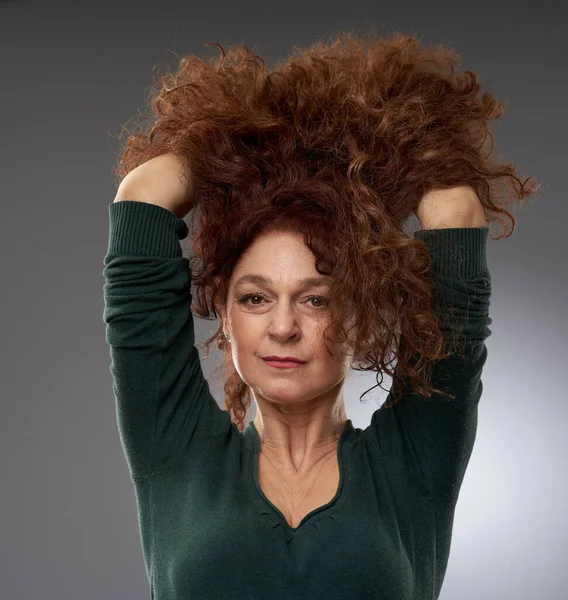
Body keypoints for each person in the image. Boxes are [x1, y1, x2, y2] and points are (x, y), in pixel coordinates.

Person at [103, 31, 536, 600]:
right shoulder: (176, 455)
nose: (283, 326)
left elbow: (453, 210)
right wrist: (256, 146)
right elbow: (143, 197)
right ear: (226, 317)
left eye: (317, 299)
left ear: (359, 318)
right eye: (256, 298)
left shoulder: (413, 464)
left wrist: (362, 154)